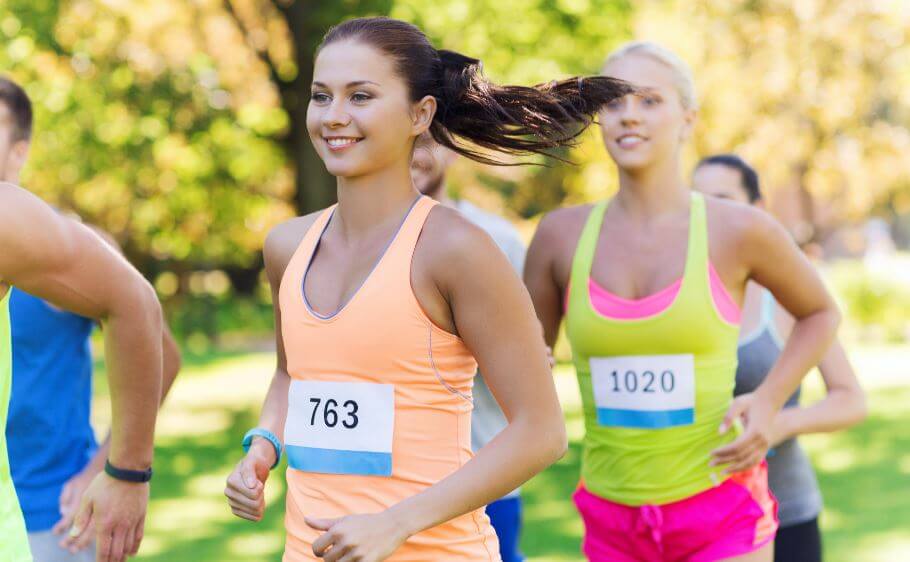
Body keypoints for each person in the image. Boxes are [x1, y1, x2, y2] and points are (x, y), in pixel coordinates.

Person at [223, 16, 633, 561]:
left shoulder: (457, 251)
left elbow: (542, 432)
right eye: (321, 96)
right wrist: (263, 446)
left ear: (421, 114)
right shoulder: (286, 245)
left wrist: (396, 523)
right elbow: (290, 374)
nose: (334, 116)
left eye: (361, 96)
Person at [523, 42, 841, 561]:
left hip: (721, 511)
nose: (629, 116)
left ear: (688, 118)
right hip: (609, 517)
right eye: (613, 102)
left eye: (650, 101)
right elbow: (524, 361)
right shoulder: (559, 237)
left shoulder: (738, 229)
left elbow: (821, 312)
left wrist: (768, 402)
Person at [0, 77, 183, 562]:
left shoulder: (56, 242)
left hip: (52, 515)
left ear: (19, 150)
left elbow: (157, 342)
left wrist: (117, 470)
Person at [693, 153, 866, 562]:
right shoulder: (667, 294)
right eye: (697, 202)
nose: (708, 215)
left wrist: (776, 422)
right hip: (689, 514)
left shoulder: (785, 299)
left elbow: (850, 398)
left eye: (722, 199)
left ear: (758, 210)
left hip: (786, 512)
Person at [411, 134, 527, 562]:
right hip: (387, 481)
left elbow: (529, 363)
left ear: (454, 149)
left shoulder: (497, 239)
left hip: (483, 470)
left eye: (426, 140)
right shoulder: (345, 243)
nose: (411, 152)